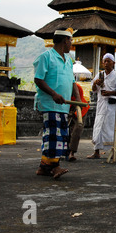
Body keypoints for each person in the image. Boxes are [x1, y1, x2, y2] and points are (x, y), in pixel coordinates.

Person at [33, 28, 80, 179]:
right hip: (50, 104)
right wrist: (53, 94)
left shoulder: (69, 60)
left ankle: (43, 167)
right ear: (65, 40)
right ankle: (55, 167)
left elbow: (72, 81)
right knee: (54, 136)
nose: (71, 44)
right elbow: (38, 79)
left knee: (61, 136)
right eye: (70, 41)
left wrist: (77, 98)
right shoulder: (46, 57)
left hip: (64, 105)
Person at [87, 53, 116, 159]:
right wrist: (95, 84)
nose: (107, 63)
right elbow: (94, 90)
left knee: (113, 127)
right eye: (105, 61)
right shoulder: (100, 75)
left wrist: (110, 93)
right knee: (99, 126)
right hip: (101, 105)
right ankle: (96, 151)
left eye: (109, 61)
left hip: (112, 107)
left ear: (113, 63)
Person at [68, 82, 90, 161]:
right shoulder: (62, 85)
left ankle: (71, 152)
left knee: (77, 129)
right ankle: (65, 151)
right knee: (67, 129)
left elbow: (79, 100)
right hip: (68, 107)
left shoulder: (77, 87)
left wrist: (75, 113)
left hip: (80, 107)